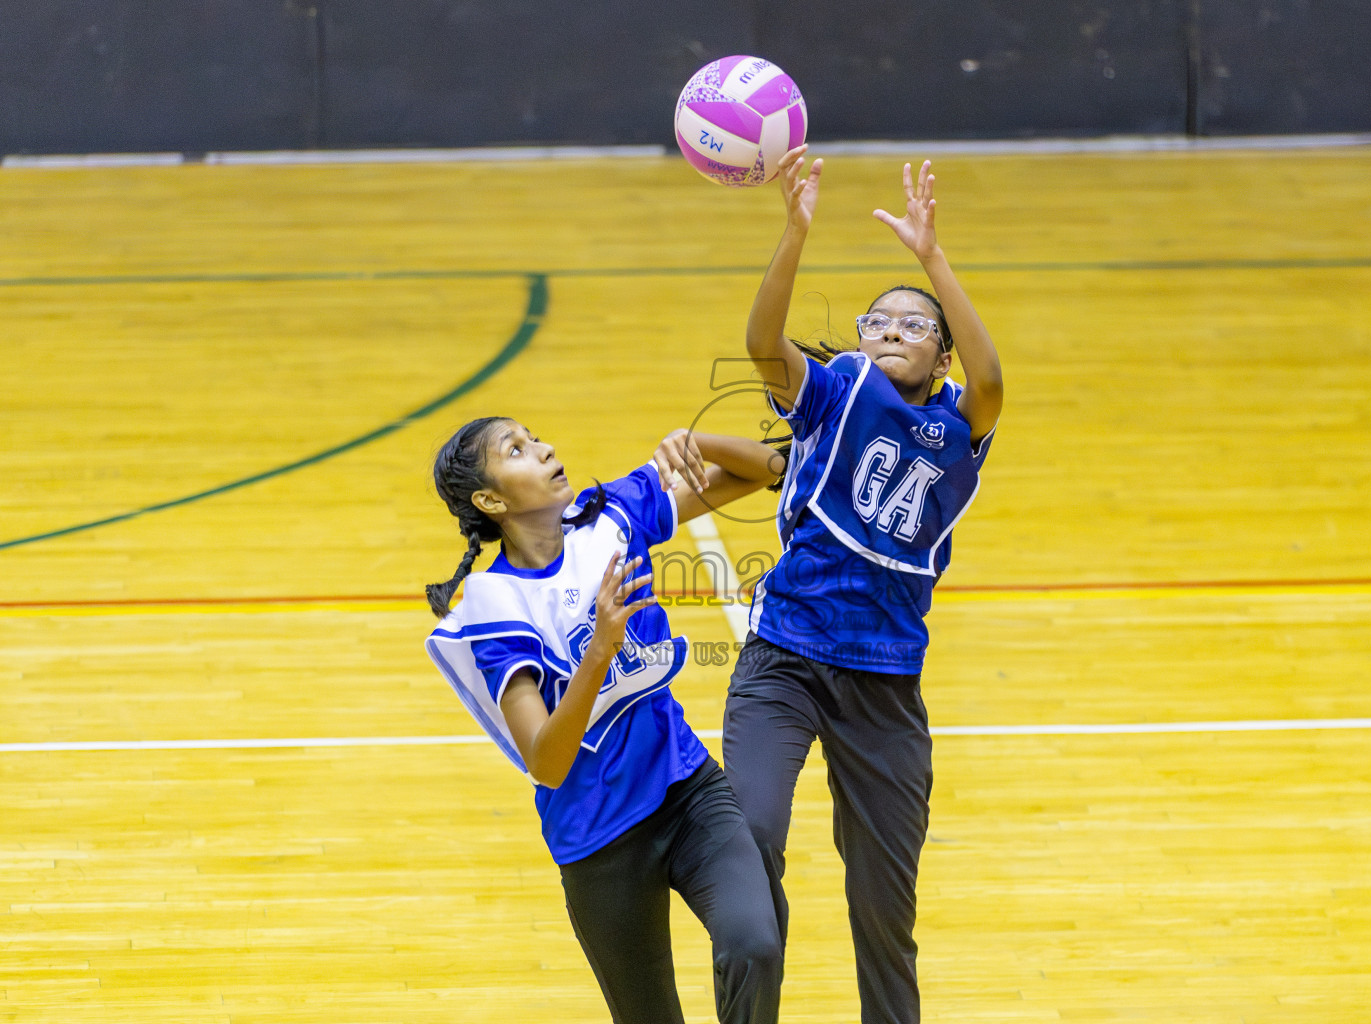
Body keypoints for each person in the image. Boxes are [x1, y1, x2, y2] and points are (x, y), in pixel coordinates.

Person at [723, 146, 1005, 1024]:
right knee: (751, 839)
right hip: (785, 659)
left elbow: (994, 379)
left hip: (884, 679)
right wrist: (794, 229)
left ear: (940, 356)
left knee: (886, 908)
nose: (888, 330)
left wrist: (934, 262)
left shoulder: (960, 422)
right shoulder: (835, 390)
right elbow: (763, 344)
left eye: (911, 325)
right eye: (875, 319)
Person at [422, 416, 786, 1024]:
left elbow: (768, 471)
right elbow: (547, 760)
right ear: (491, 500)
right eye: (518, 450)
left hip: (685, 789)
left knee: (756, 943)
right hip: (598, 839)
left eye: (536, 437)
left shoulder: (610, 516)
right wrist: (600, 652)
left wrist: (697, 442)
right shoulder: (495, 604)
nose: (545, 449)